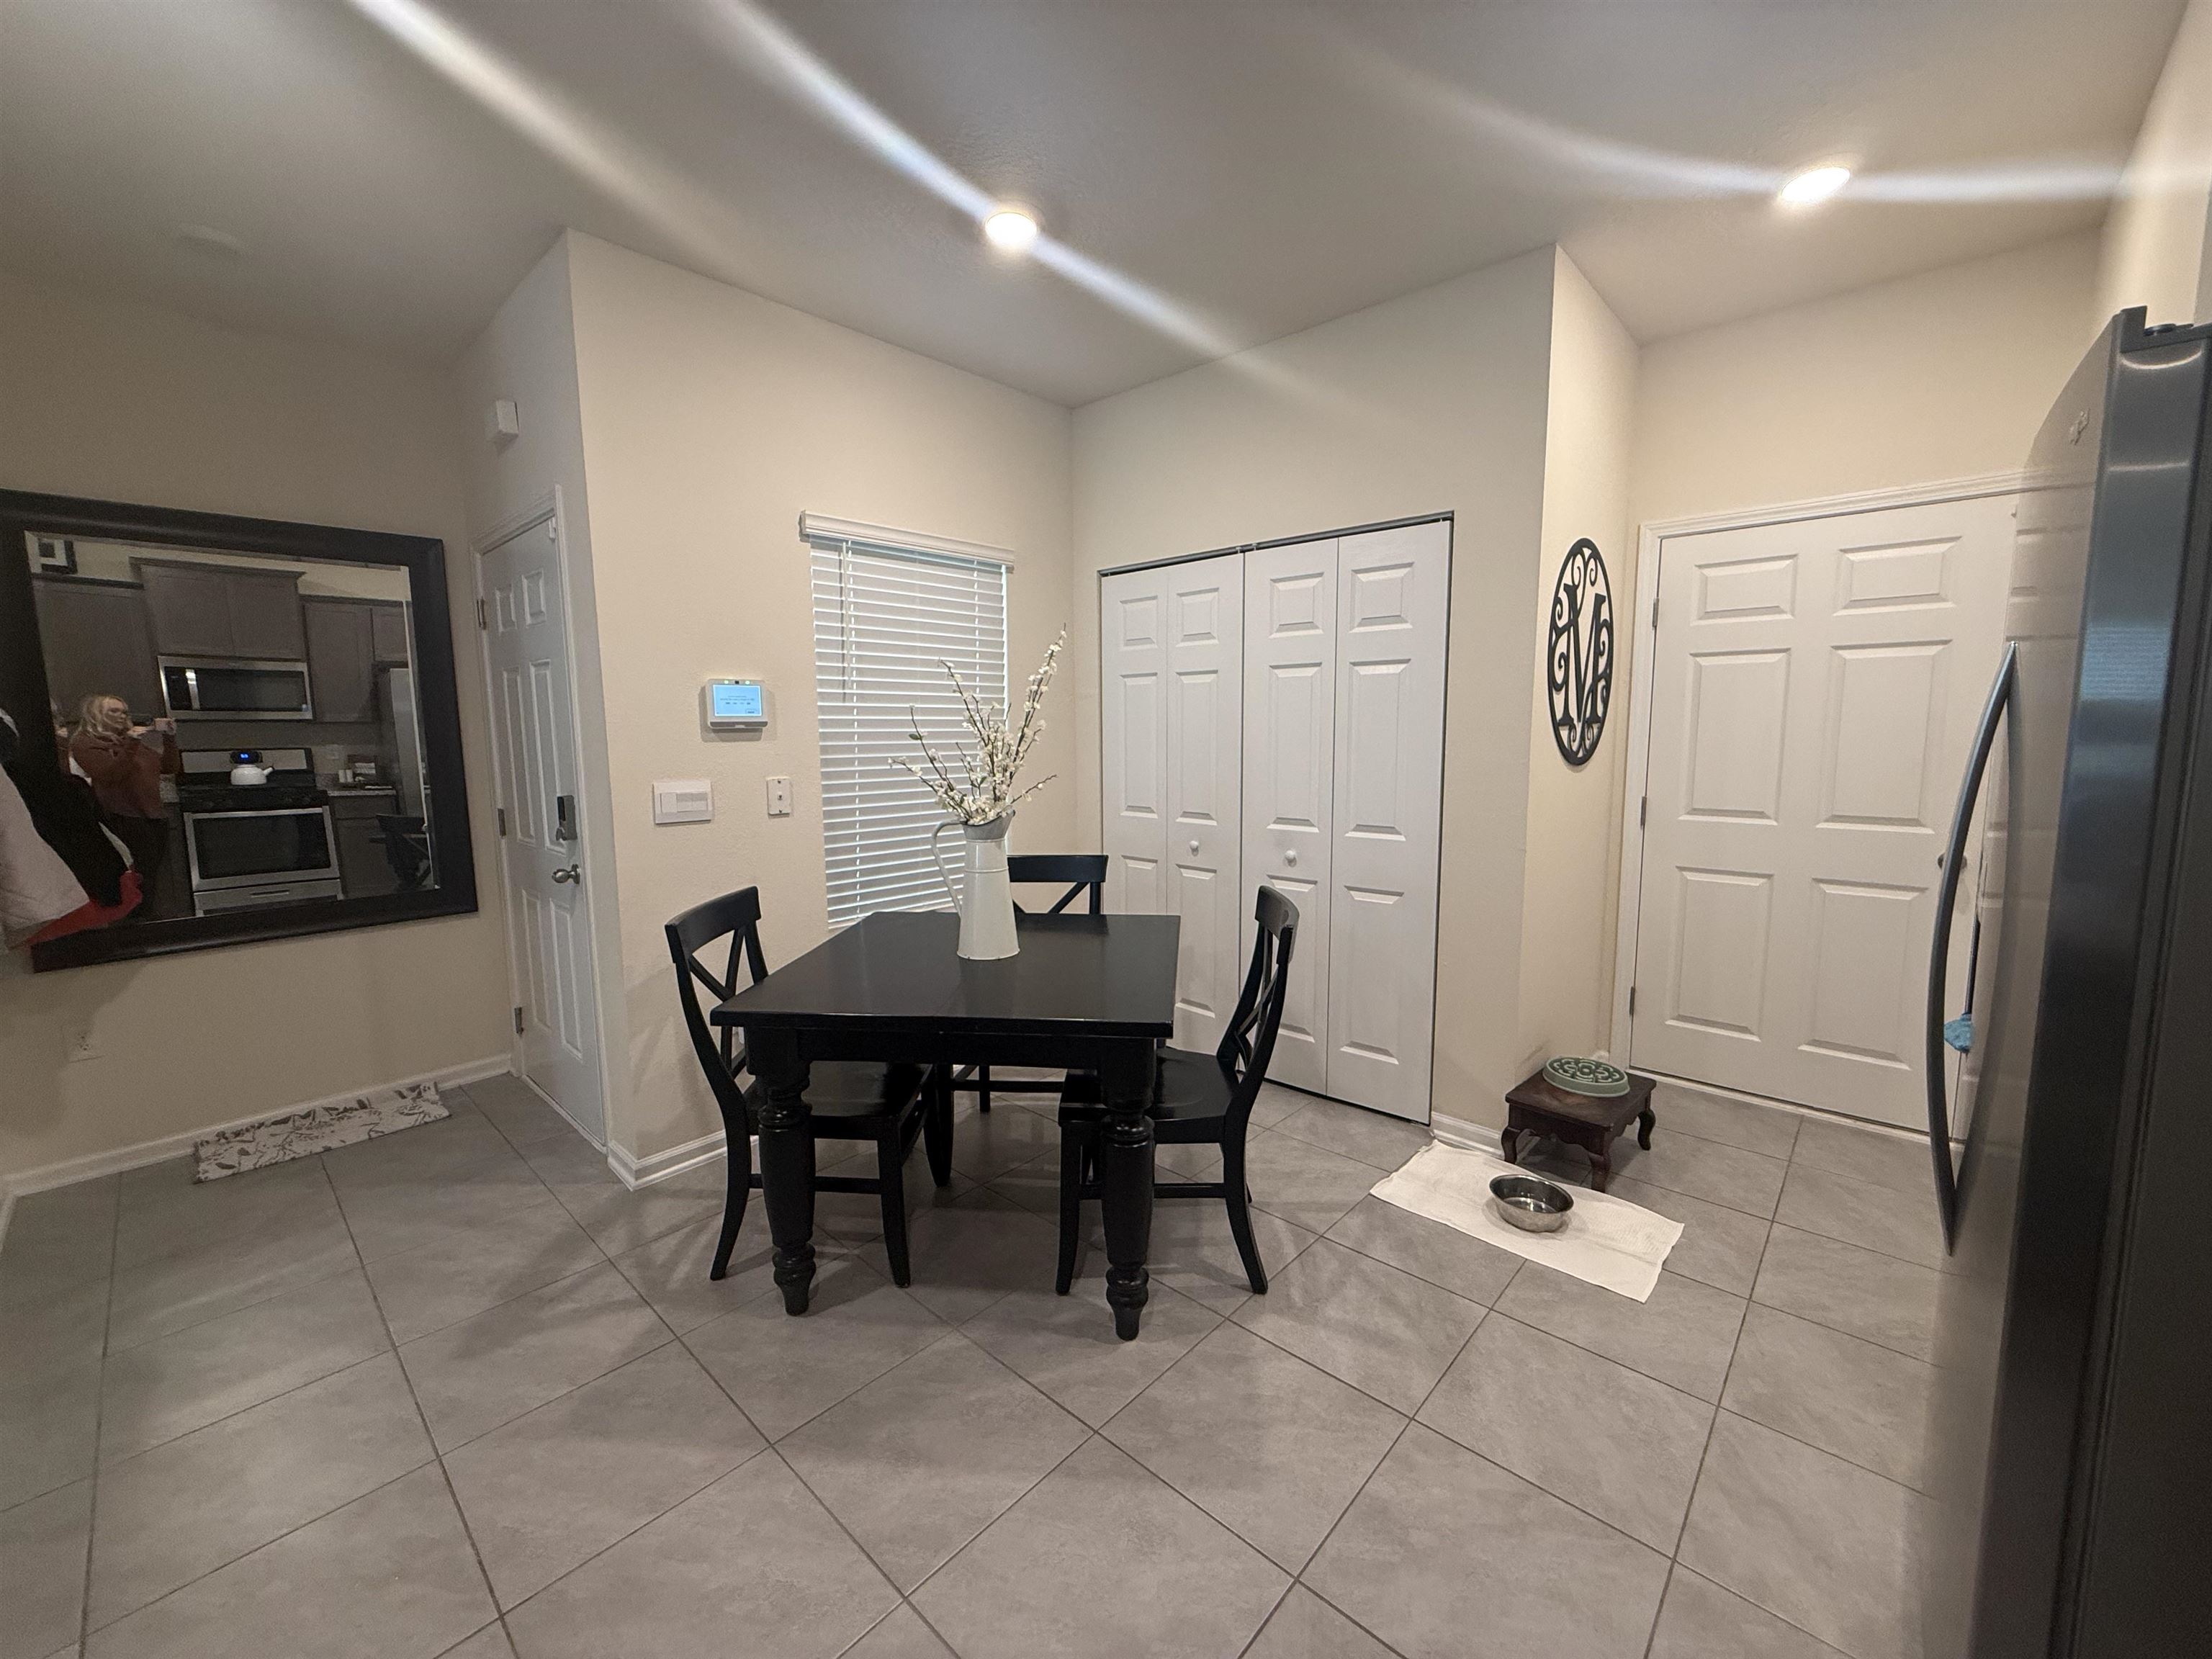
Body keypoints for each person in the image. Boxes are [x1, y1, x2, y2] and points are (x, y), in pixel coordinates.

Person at [67, 693, 180, 893]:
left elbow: (169, 767)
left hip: (152, 817)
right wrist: (131, 743)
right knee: (133, 882)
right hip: (122, 818)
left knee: (149, 881)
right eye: (114, 711)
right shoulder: (85, 743)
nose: (122, 716)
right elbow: (110, 775)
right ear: (96, 714)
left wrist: (170, 738)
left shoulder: (128, 741)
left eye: (124, 712)